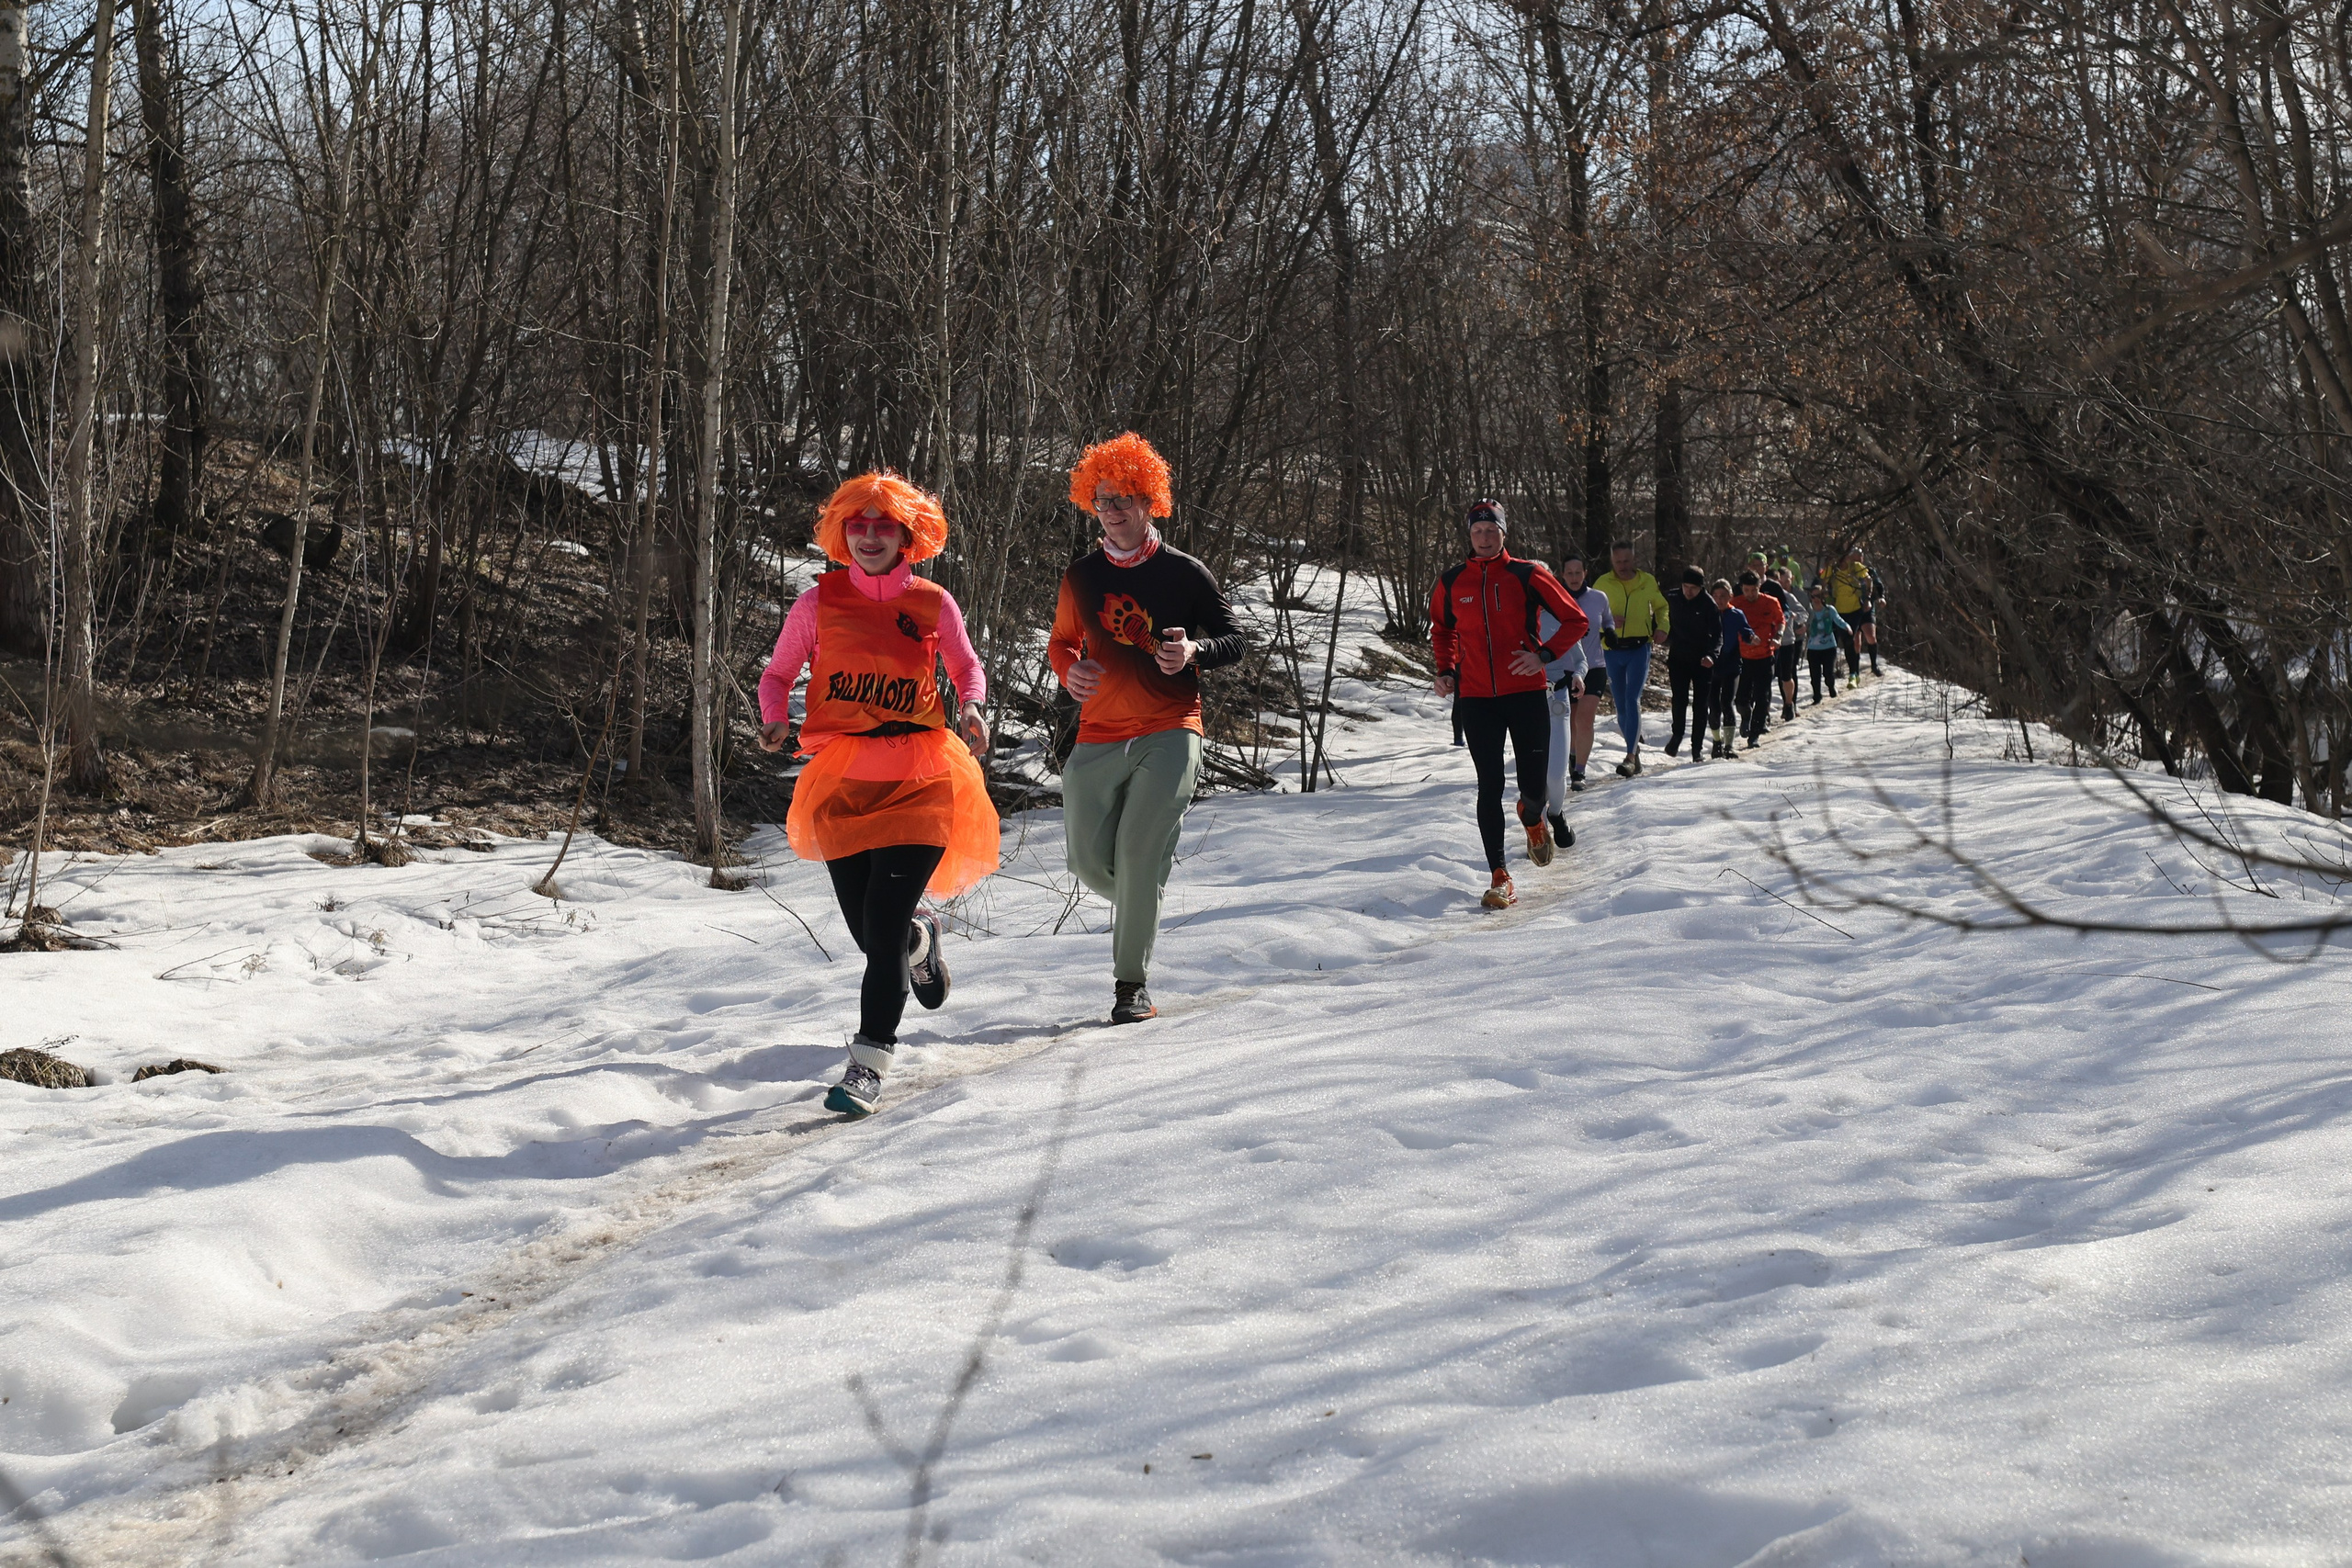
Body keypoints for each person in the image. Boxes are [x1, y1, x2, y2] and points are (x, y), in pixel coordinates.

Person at [760, 472, 1000, 1118]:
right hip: (843, 780)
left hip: (920, 775)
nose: (870, 537)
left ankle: (868, 1065)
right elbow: (779, 672)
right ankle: (920, 943)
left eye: (884, 525)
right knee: (876, 938)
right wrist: (774, 714)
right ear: (841, 531)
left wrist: (972, 707)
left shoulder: (932, 602)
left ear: (907, 534)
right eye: (858, 525)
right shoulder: (818, 603)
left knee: (884, 921)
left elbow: (966, 666)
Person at [1049, 432, 1246, 1024]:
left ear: (1150, 500)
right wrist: (1068, 671)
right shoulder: (1080, 576)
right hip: (1099, 734)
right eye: (1103, 500)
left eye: (1127, 498)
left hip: (1171, 729)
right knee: (1086, 863)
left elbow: (1234, 640)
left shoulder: (1185, 573)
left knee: (1136, 850)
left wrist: (1194, 653)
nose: (1115, 510)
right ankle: (1143, 900)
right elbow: (1062, 642)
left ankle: (1130, 983)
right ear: (1092, 506)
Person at [1429, 499, 1589, 909]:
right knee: (1489, 785)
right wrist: (1446, 670)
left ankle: (1532, 817)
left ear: (1504, 533)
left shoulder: (1528, 574)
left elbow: (1576, 620)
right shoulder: (1451, 582)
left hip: (1526, 693)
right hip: (1477, 698)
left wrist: (1545, 656)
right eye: (1477, 530)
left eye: (1491, 530)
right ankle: (1500, 876)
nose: (1484, 537)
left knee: (1534, 789)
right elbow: (1442, 630)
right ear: (1469, 534)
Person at [1593, 540, 1670, 775]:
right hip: (1613, 648)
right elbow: (1588, 614)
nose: (1623, 566)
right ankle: (1634, 750)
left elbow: (1662, 606)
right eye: (1618, 562)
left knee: (1632, 698)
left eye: (1627, 561)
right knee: (1620, 704)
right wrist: (1607, 622)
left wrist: (1663, 626)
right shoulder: (1602, 583)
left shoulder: (1647, 581)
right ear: (1612, 562)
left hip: (1640, 647)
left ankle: (1629, 756)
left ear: (1634, 559)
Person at [1555, 553, 1611, 792]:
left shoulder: (1598, 598)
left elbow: (1607, 619)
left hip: (1594, 666)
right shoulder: (1555, 597)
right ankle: (1572, 755)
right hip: (1565, 667)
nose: (1575, 577)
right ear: (1563, 575)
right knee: (1570, 721)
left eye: (1579, 573)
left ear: (1586, 573)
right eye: (1570, 573)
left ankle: (1579, 770)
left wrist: (1610, 631)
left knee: (1584, 719)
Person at [1663, 566, 1719, 760]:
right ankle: (1677, 735)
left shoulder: (1708, 604)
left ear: (1701, 588)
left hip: (1702, 661)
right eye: (1685, 586)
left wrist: (1712, 655)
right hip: (1678, 657)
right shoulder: (1672, 597)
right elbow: (1658, 615)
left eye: (1693, 588)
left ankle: (1697, 748)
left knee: (1700, 705)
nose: (1688, 591)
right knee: (1679, 699)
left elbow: (1718, 636)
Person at [1729, 569, 1784, 749]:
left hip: (1765, 656)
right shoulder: (1735, 604)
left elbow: (1780, 621)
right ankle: (1746, 716)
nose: (1750, 594)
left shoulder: (1770, 602)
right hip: (1742, 658)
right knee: (1740, 699)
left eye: (1753, 590)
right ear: (1741, 589)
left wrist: (1778, 636)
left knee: (1762, 696)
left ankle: (1755, 734)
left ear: (1759, 587)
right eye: (1746, 590)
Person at [1822, 547, 1882, 680]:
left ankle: (1854, 673)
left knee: (1852, 639)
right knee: (1848, 642)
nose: (1848, 559)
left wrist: (1867, 598)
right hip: (1839, 611)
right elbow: (1823, 582)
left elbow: (1869, 580)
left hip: (1856, 609)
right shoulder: (1833, 570)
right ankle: (1853, 671)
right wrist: (1826, 595)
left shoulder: (1855, 567)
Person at [1704, 579, 1748, 759]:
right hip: (1710, 666)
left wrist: (1751, 637)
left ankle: (1729, 745)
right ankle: (1717, 742)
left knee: (1727, 703)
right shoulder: (1707, 614)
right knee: (1713, 707)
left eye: (1723, 596)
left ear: (1731, 596)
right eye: (1715, 596)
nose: (1719, 600)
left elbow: (1746, 631)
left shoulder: (1736, 614)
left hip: (1731, 665)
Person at [1770, 564, 1807, 721]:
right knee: (1770, 676)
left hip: (1786, 641)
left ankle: (1789, 704)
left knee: (1787, 674)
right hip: (1768, 643)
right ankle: (1765, 711)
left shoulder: (1787, 596)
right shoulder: (1760, 597)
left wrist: (1794, 616)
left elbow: (1803, 614)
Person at [1805, 586, 1851, 703]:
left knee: (1828, 673)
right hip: (1813, 648)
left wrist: (1847, 627)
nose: (1816, 599)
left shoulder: (1829, 610)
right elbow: (1802, 623)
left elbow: (1838, 620)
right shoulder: (1808, 611)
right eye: (1813, 596)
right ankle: (1817, 695)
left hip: (1829, 647)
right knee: (1815, 675)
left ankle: (1831, 686)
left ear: (1823, 597)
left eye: (1819, 596)